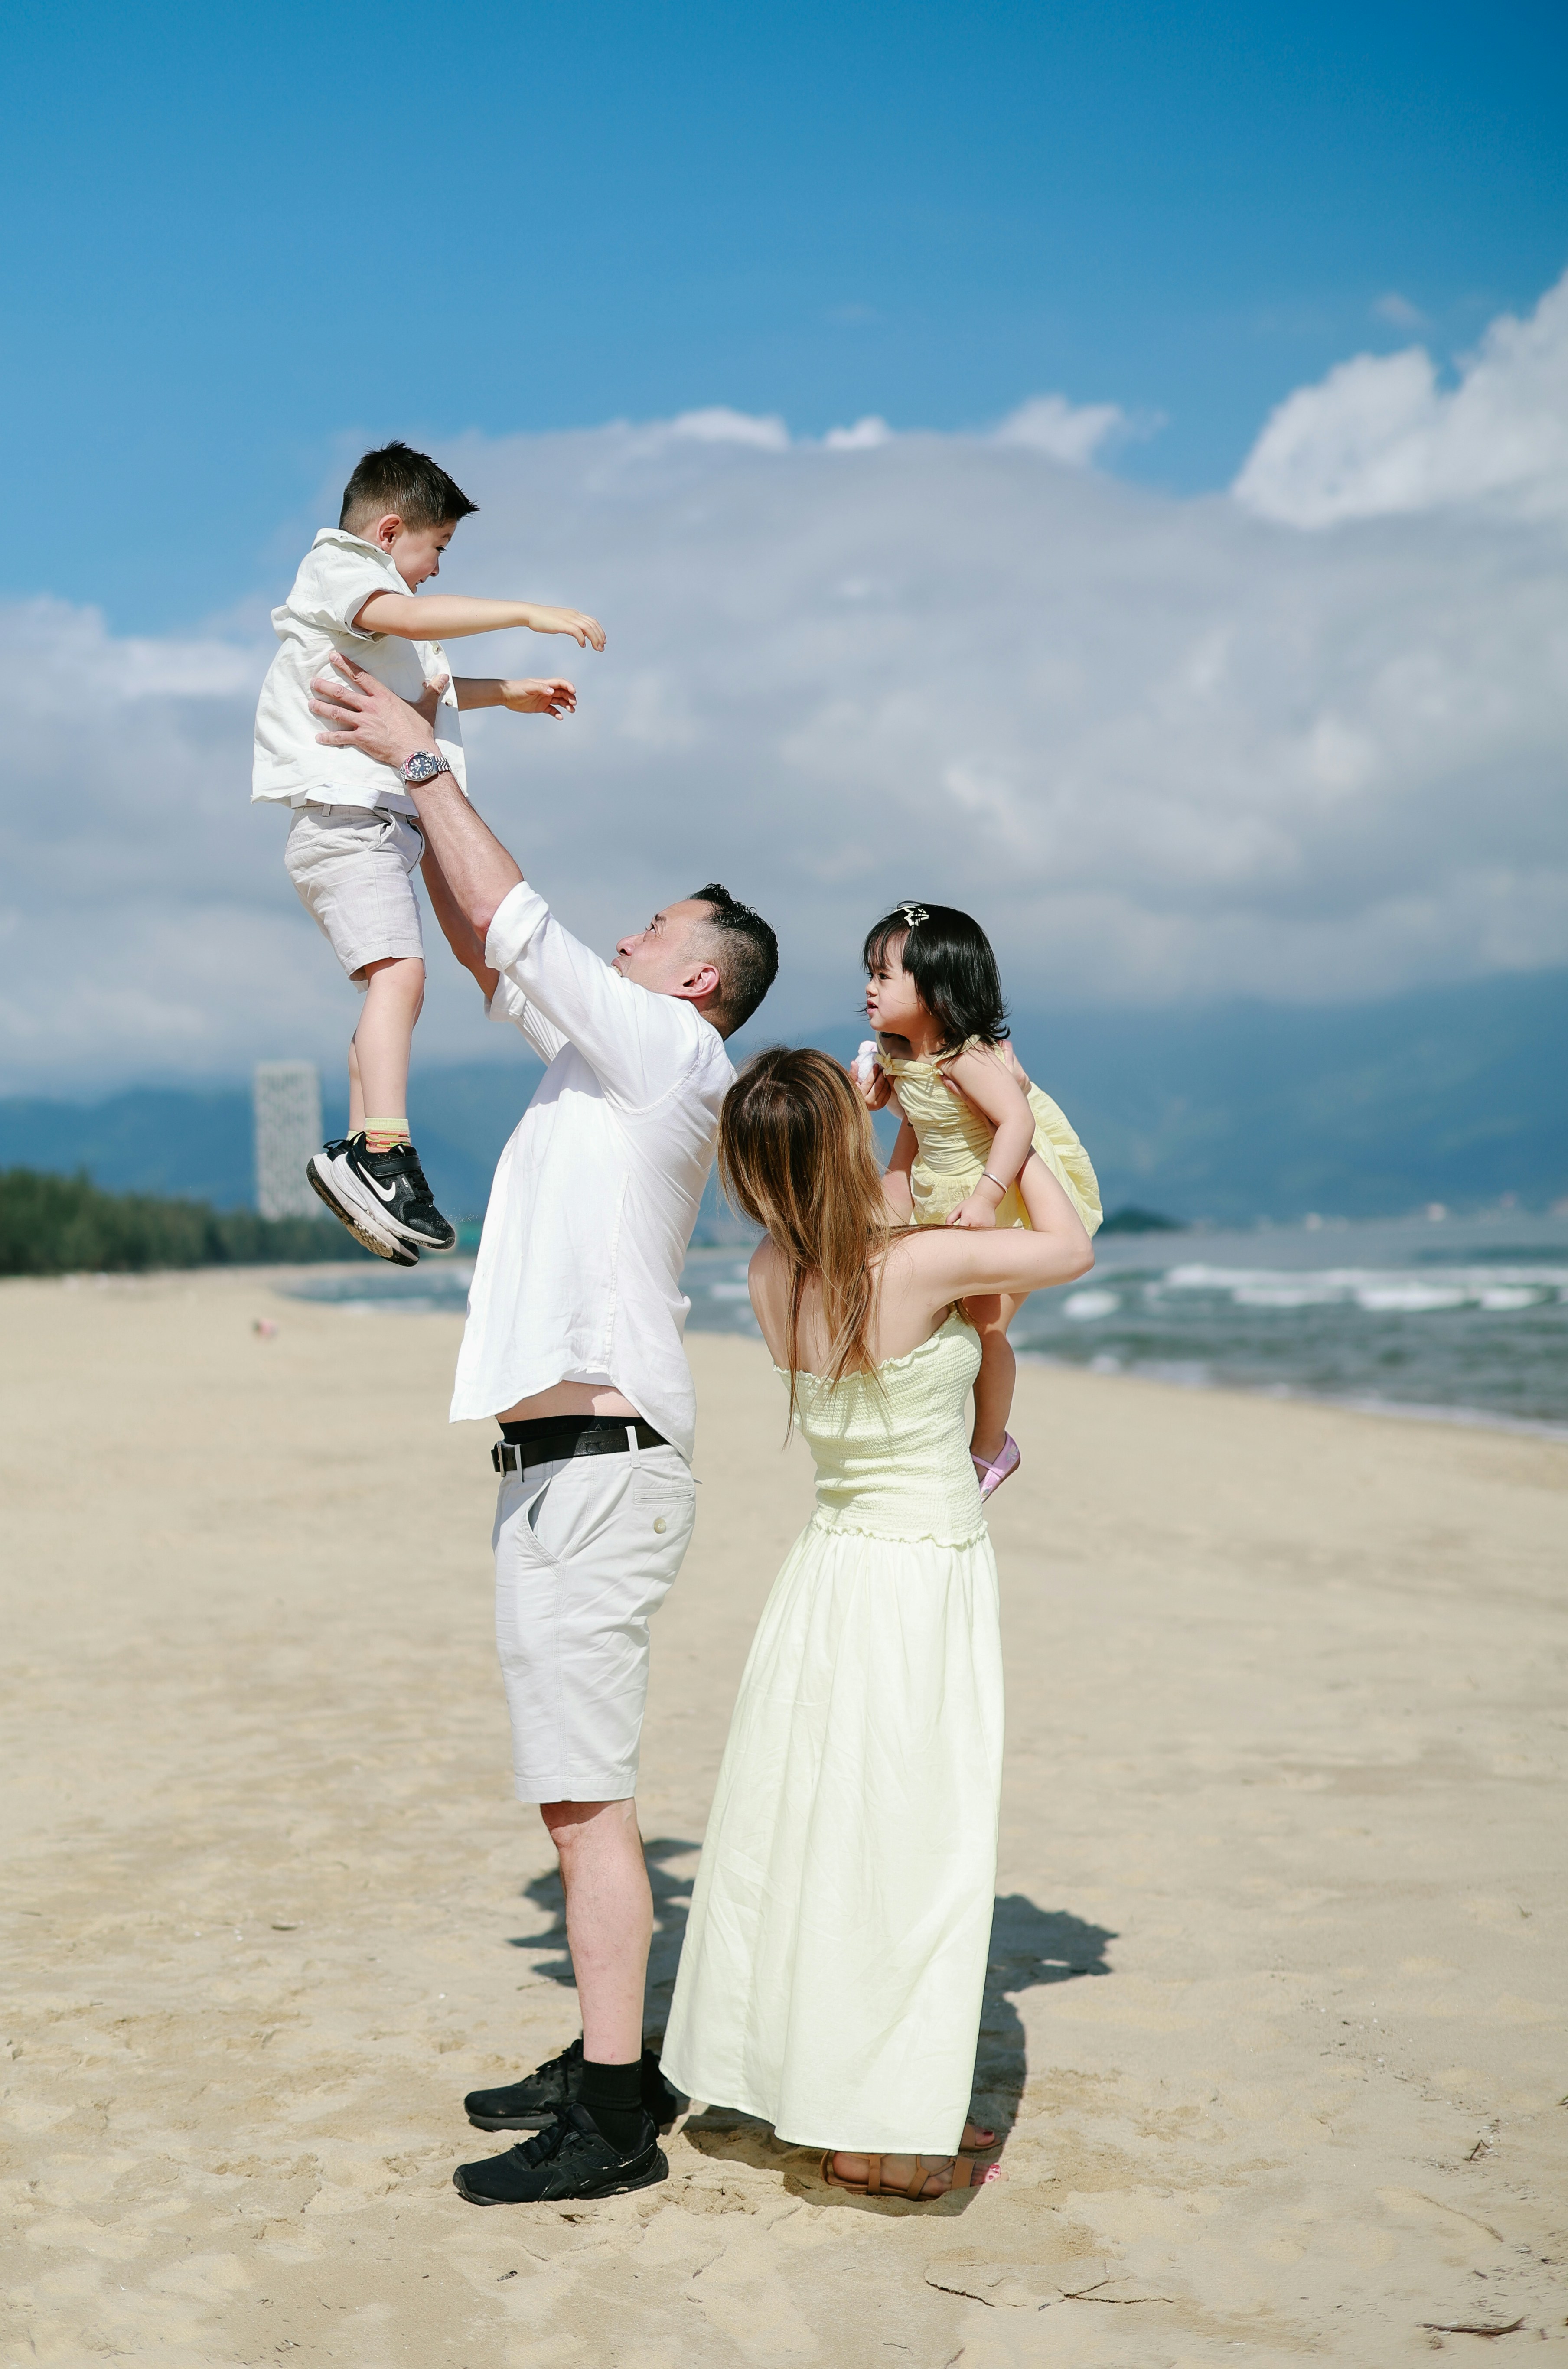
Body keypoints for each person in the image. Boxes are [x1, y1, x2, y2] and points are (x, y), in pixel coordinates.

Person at [306, 649, 779, 2207]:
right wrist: (412, 790)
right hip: (559, 1470)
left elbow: (517, 922)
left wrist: (428, 762)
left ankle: (619, 2112)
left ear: (695, 977)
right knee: (571, 1793)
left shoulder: (671, 1052)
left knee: (588, 1803)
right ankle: (596, 2058)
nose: (624, 937)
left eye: (650, 931)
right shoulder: (604, 1053)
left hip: (600, 1470)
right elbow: (488, 936)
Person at [660, 1046, 1095, 2198]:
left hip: (827, 1573)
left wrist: (868, 1122)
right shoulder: (914, 1263)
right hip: (916, 1576)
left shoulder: (769, 1267)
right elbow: (1067, 1246)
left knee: (817, 1841)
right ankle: (881, 2131)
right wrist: (1014, 1117)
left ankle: (822, 2090)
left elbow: (867, 1200)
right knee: (911, 1849)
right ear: (835, 1140)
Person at [254, 440, 605, 1266]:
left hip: (376, 824)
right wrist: (528, 612)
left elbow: (432, 683)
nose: (437, 571)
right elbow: (409, 619)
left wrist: (505, 693)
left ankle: (359, 1155)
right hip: (347, 820)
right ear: (388, 530)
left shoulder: (379, 610)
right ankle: (383, 1150)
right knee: (399, 979)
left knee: (396, 987)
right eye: (436, 548)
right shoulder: (342, 569)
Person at [853, 902, 1101, 1496]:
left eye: (885, 976)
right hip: (943, 1198)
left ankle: (992, 1444)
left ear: (937, 994)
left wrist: (990, 1196)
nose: (869, 987)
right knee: (943, 1321)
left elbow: (1016, 1120)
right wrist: (878, 1099)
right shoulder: (903, 1055)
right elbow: (920, 1129)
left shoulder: (966, 1057)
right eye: (870, 972)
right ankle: (938, 1435)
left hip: (998, 1196)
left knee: (987, 1326)